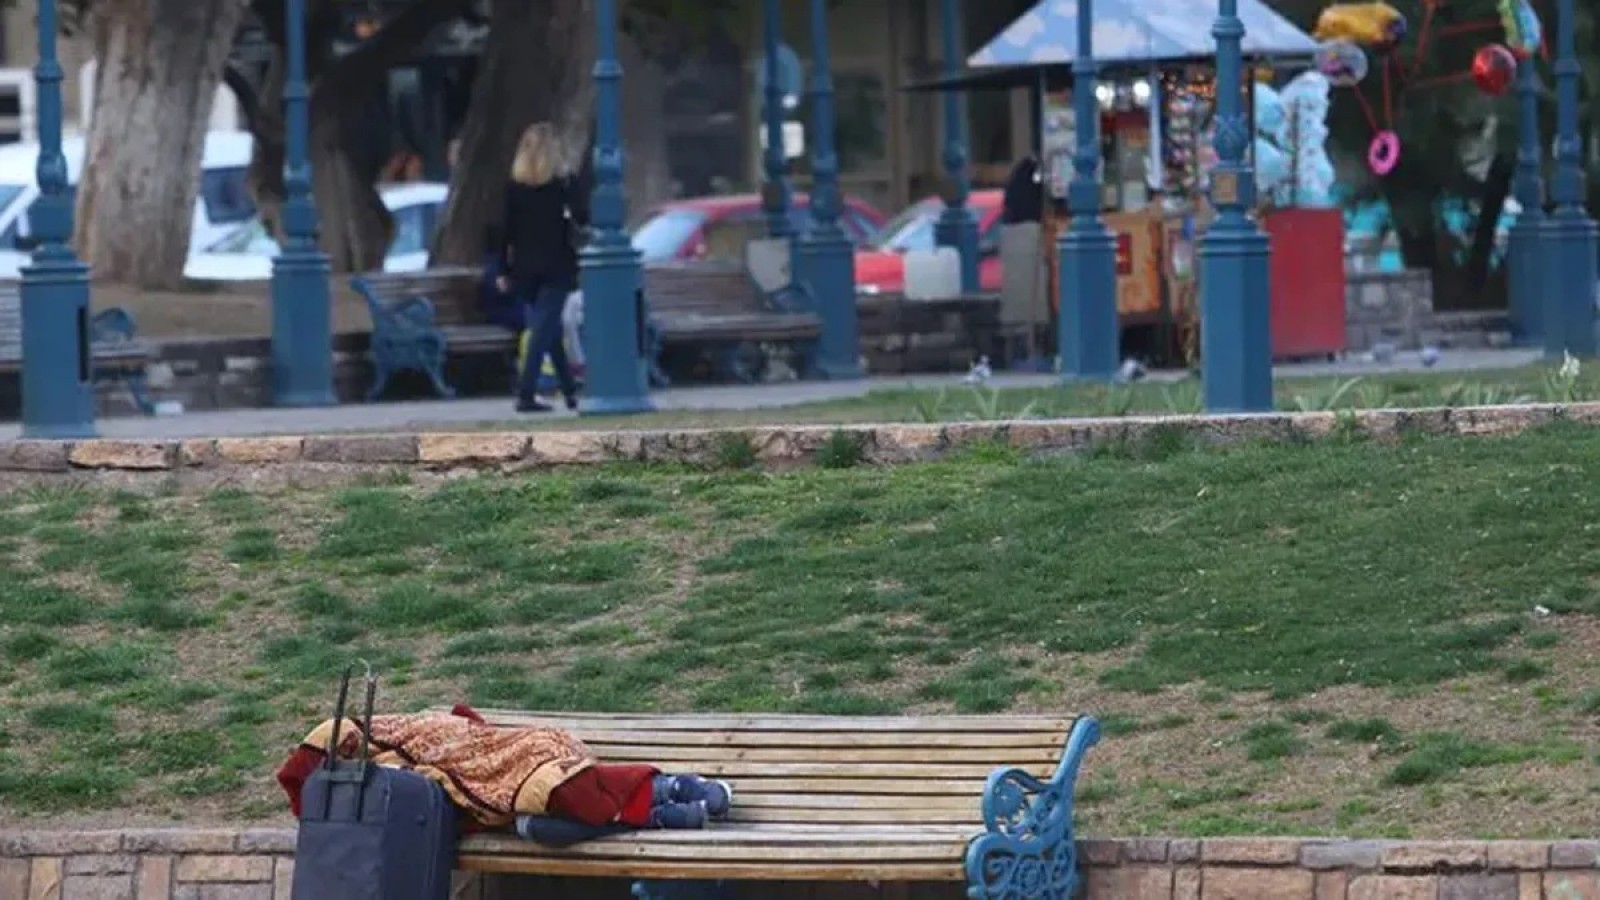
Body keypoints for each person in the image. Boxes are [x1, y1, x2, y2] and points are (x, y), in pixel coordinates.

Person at [276, 705, 734, 841]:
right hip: (497, 812)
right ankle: (657, 808)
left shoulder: (399, 731)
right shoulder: (383, 778)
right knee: (536, 827)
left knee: (557, 787)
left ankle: (667, 791)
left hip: (525, 754)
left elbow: (461, 738)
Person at [500, 122, 586, 413]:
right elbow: (583, 217)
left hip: (525, 268)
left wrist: (502, 268)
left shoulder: (515, 189)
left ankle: (570, 391)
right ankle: (526, 393)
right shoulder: (561, 185)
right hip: (556, 266)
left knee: (547, 328)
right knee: (542, 331)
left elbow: (504, 232)